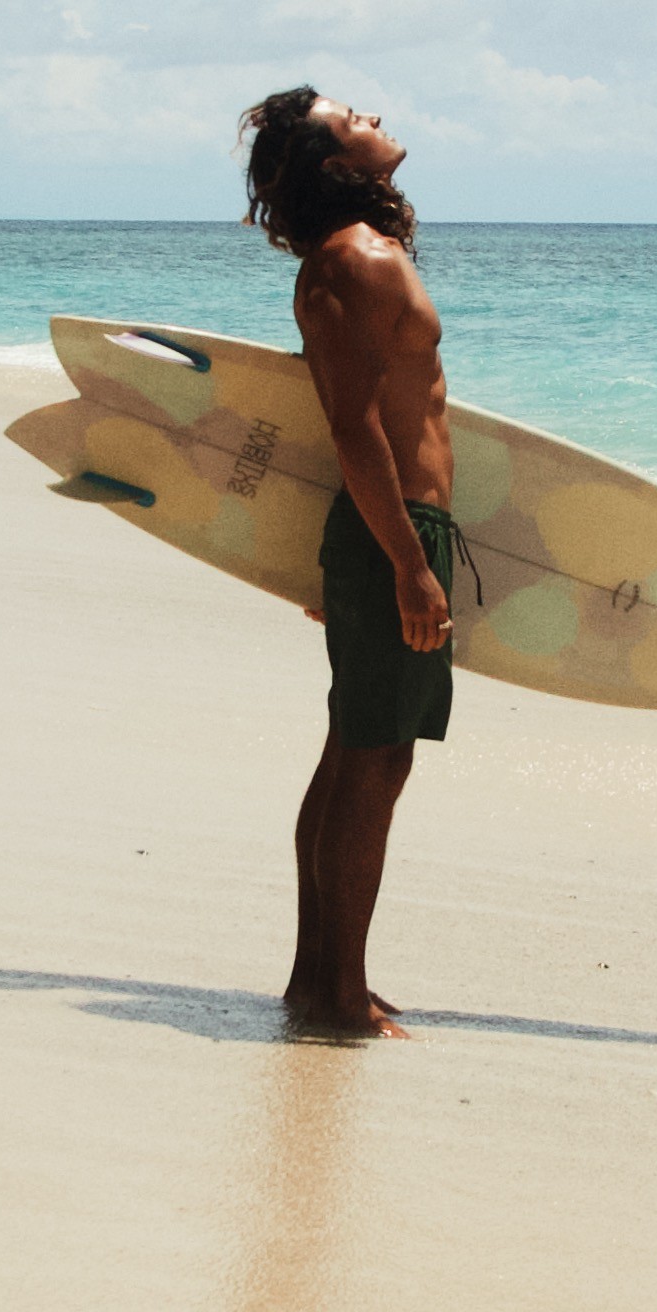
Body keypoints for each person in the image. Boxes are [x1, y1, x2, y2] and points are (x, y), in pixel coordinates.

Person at [241, 84, 451, 1040]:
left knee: (350, 758)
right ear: (338, 166)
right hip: (393, 530)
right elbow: (356, 433)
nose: (373, 116)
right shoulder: (356, 263)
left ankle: (317, 976)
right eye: (353, 119)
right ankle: (337, 998)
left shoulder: (352, 257)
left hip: (385, 532)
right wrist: (406, 565)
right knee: (374, 764)